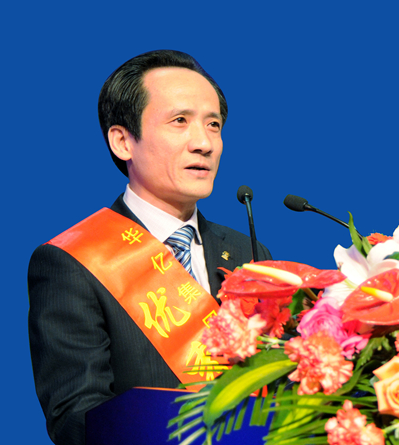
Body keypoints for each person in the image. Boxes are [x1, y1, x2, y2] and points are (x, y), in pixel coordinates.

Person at [28, 50, 271, 445]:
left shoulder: (249, 252)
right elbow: (76, 420)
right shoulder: (74, 261)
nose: (204, 143)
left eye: (213, 125)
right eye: (180, 121)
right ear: (123, 141)